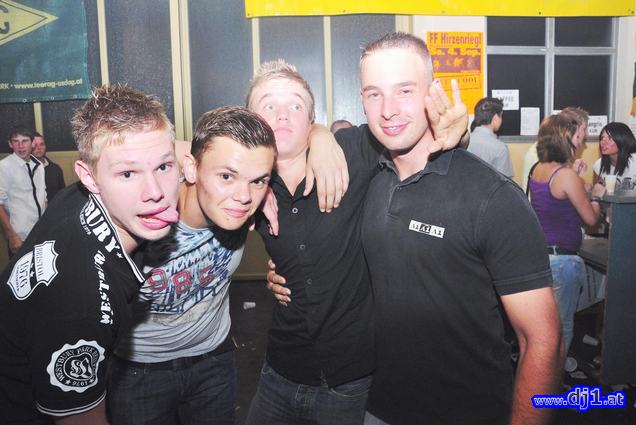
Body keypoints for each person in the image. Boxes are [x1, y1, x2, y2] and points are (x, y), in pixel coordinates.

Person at [357, 32, 561, 425]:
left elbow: (543, 342)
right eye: (373, 94)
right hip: (379, 407)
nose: (388, 110)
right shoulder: (368, 180)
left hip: (470, 411)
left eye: (404, 91)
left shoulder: (492, 197)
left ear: (432, 92)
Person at [249, 57, 467, 424]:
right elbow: (174, 154)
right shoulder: (243, 186)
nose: (283, 114)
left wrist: (460, 133)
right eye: (269, 105)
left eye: (295, 106)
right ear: (250, 121)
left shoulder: (351, 151)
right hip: (279, 371)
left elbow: (414, 133)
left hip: (348, 381)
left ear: (310, 120)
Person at [108, 104, 345, 425]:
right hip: (140, 371)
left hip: (214, 363)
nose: (243, 196)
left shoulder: (245, 204)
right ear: (190, 169)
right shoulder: (144, 212)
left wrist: (321, 136)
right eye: (226, 177)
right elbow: (133, 152)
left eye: (257, 181)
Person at [0, 84, 181, 425]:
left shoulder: (75, 197)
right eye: (127, 174)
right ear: (90, 177)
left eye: (164, 167)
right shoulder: (84, 305)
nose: (155, 192)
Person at [529, 114, 604, 372]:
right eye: (578, 135)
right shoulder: (565, 176)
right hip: (563, 262)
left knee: (545, 327)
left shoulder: (539, 169)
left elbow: (556, 205)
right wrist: (596, 197)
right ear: (566, 139)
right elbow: (591, 219)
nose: (582, 140)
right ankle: (552, 381)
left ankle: (543, 374)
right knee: (562, 328)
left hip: (542, 257)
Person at [0, 127, 46, 256]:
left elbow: (44, 199)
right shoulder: (4, 166)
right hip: (20, 237)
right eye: (16, 141)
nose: (20, 146)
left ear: (32, 143)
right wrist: (12, 235)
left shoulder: (39, 166)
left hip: (41, 233)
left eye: (24, 141)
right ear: (10, 144)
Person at [522, 107, 589, 190]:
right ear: (573, 128)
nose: (586, 134)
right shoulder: (545, 152)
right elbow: (555, 190)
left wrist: (574, 172)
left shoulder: (553, 148)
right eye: (584, 129)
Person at [467, 97, 514, 177]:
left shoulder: (464, 142)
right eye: (501, 116)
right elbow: (505, 181)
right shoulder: (500, 148)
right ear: (495, 118)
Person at [592, 122, 636, 190]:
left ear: (622, 140)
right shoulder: (598, 165)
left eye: (610, 138)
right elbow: (596, 193)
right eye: (602, 138)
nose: (603, 142)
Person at [32, 132, 67, 202]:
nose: (38, 148)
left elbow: (63, 193)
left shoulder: (55, 168)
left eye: (41, 144)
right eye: (35, 145)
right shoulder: (25, 169)